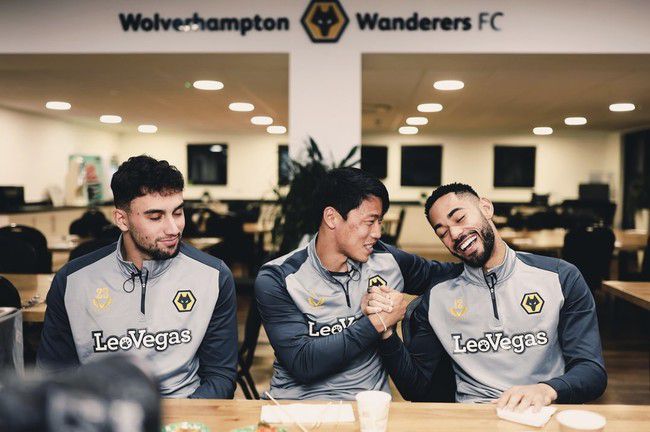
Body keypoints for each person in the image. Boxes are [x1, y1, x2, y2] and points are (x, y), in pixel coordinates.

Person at [370, 183, 607, 410]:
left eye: (460, 218)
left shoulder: (560, 277)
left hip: (543, 412)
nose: (455, 233)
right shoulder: (437, 298)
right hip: (474, 416)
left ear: (486, 207)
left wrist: (547, 389)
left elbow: (592, 371)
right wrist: (386, 332)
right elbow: (415, 388)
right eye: (442, 232)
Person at [37, 155, 238, 399]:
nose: (173, 228)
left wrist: (183, 418)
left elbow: (220, 376)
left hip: (185, 410)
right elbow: (54, 376)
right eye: (155, 217)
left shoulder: (214, 276)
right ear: (122, 220)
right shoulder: (72, 281)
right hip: (102, 411)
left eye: (177, 213)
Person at [254, 167, 457, 400]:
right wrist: (378, 322)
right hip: (296, 405)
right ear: (332, 217)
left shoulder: (388, 261)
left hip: (365, 406)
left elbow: (452, 274)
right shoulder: (279, 277)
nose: (378, 233)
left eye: (380, 222)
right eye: (370, 222)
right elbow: (303, 362)